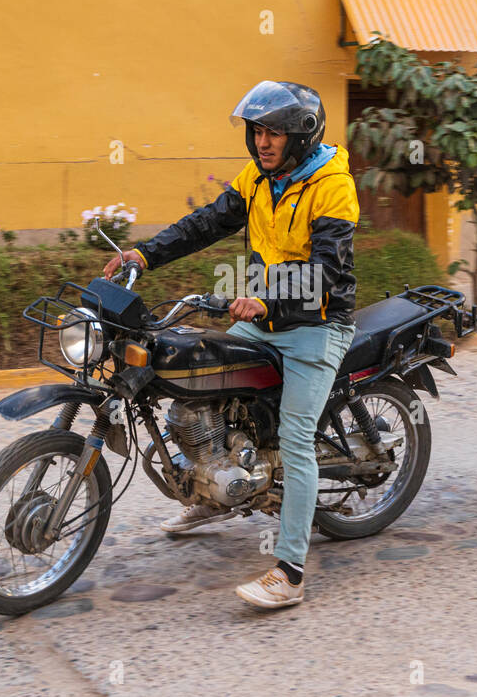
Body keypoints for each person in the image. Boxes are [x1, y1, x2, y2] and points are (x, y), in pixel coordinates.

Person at [103, 80, 358, 609]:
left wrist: (270, 302)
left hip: (317, 325)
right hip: (263, 317)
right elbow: (208, 223)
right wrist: (144, 256)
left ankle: (289, 572)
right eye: (258, 131)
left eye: (275, 133)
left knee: (295, 440)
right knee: (194, 393)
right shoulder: (260, 178)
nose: (263, 142)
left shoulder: (332, 185)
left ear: (301, 136)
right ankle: (216, 491)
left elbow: (330, 269)